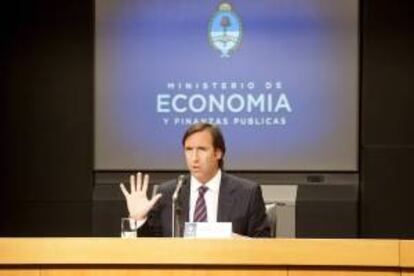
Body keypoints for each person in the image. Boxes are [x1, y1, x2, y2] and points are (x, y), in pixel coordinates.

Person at [120, 123, 270, 237]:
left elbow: (265, 248)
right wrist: (138, 220)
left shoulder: (247, 193)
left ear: (218, 153)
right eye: (189, 150)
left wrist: (236, 243)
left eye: (202, 149)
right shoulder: (169, 194)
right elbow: (151, 249)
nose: (194, 157)